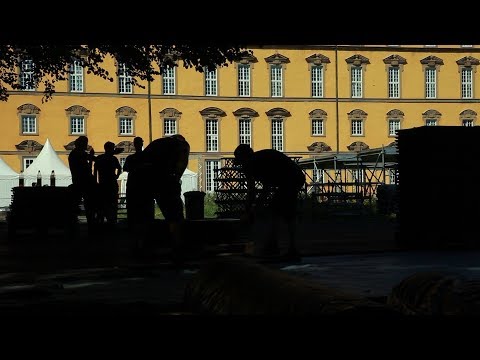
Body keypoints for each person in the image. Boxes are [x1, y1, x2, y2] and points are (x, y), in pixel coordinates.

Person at [234, 144, 306, 259]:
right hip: (293, 177)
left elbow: (261, 190)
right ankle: (278, 246)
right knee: (279, 211)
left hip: (291, 179)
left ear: (243, 159)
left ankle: (278, 246)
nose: (242, 166)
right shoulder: (257, 159)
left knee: (278, 212)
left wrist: (250, 210)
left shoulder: (254, 163)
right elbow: (258, 190)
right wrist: (252, 209)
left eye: (241, 162)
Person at [140, 134, 190, 260]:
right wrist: (176, 180)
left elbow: (141, 160)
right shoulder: (181, 145)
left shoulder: (157, 143)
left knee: (145, 215)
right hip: (165, 180)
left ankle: (144, 246)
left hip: (144, 179)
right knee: (175, 216)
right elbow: (181, 164)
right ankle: (177, 246)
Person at [123, 136, 155, 227]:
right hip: (144, 186)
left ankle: (134, 226)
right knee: (145, 209)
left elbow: (126, 168)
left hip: (134, 185)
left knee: (133, 209)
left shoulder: (131, 158)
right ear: (142, 144)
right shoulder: (147, 157)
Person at [68, 135, 97, 227]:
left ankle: (74, 224)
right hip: (83, 182)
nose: (86, 145)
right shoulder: (80, 154)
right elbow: (87, 168)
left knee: (77, 205)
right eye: (85, 143)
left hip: (78, 181)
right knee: (88, 205)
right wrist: (91, 158)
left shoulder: (74, 154)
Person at [93, 141, 122, 225]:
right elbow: (119, 168)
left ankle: (101, 222)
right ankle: (112, 222)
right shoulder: (113, 158)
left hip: (102, 184)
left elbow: (95, 172)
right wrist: (116, 176)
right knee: (112, 205)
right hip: (111, 184)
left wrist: (96, 182)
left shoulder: (100, 158)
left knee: (102, 206)